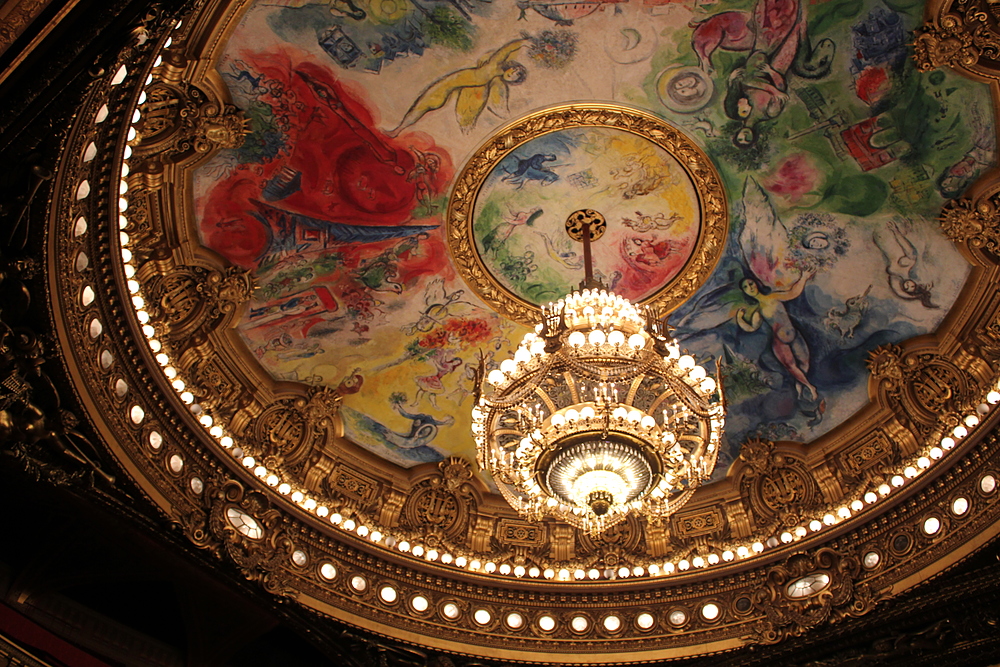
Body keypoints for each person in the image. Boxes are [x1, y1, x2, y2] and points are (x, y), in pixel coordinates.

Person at [390, 39, 528, 135]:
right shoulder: (494, 66)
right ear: (513, 67)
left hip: (444, 88)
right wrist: (524, 42)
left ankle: (398, 130)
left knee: (422, 105)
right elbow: (505, 49)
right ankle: (398, 129)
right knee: (421, 106)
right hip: (445, 86)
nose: (511, 76)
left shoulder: (495, 77)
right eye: (514, 72)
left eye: (514, 78)